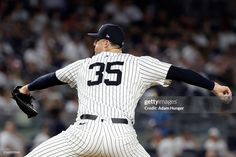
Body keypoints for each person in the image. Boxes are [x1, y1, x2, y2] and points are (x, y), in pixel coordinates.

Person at [18, 23, 232, 157]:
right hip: (121, 139)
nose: (94, 45)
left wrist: (26, 89)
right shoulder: (139, 63)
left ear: (105, 43)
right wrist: (214, 86)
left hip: (82, 135)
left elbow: (50, 79)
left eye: (96, 41)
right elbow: (181, 73)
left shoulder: (82, 65)